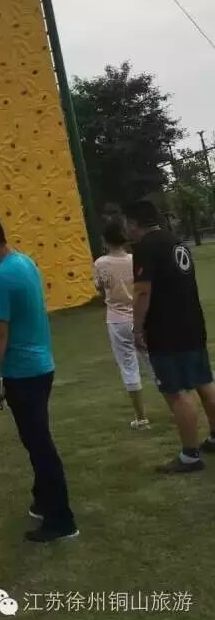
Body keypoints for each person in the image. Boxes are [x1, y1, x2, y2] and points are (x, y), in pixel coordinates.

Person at [0, 214, 78, 543]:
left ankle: (62, 520)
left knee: (40, 445)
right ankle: (44, 501)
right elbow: (20, 304)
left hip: (24, 372)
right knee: (35, 440)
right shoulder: (23, 262)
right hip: (41, 366)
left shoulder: (2, 276)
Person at [125, 200, 215, 473]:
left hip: (166, 329)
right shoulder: (177, 242)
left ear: (133, 223)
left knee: (176, 392)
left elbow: (142, 292)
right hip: (192, 324)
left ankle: (189, 456)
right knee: (204, 382)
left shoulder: (145, 247)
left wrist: (137, 327)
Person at [94, 219, 150, 430]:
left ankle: (141, 417)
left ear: (105, 240)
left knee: (128, 367)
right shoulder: (135, 259)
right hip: (139, 316)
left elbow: (100, 287)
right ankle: (175, 406)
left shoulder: (101, 263)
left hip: (117, 320)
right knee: (153, 362)